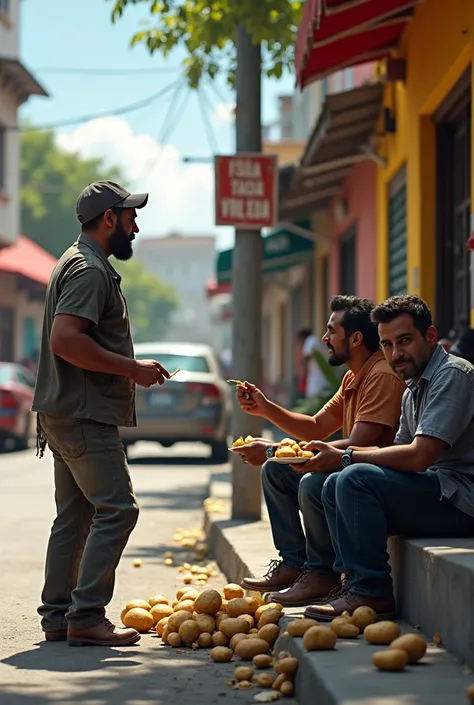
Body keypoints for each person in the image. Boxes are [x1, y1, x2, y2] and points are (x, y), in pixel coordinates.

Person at [32, 180, 170, 647]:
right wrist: (132, 369)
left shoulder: (76, 262)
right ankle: (86, 614)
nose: (135, 224)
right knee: (117, 510)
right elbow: (66, 340)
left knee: (75, 516)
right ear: (109, 218)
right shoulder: (89, 270)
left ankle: (57, 614)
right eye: (130, 215)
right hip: (83, 413)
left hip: (65, 410)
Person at [301, 295, 474, 622]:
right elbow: (391, 455)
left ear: (431, 337)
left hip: (462, 499)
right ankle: (349, 583)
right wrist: (344, 460)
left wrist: (345, 456)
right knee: (331, 483)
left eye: (405, 341)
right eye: (387, 344)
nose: (396, 353)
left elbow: (419, 456)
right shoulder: (412, 389)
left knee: (353, 477)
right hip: (434, 490)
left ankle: (372, 592)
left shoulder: (453, 374)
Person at [234, 296, 406, 606]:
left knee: (312, 482)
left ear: (355, 338)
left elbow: (359, 443)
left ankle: (322, 574)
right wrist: (265, 408)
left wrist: (273, 450)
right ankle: (293, 564)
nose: (324, 339)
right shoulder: (354, 375)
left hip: (374, 475)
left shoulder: (381, 375)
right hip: (353, 464)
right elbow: (316, 426)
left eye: (331, 331)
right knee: (276, 471)